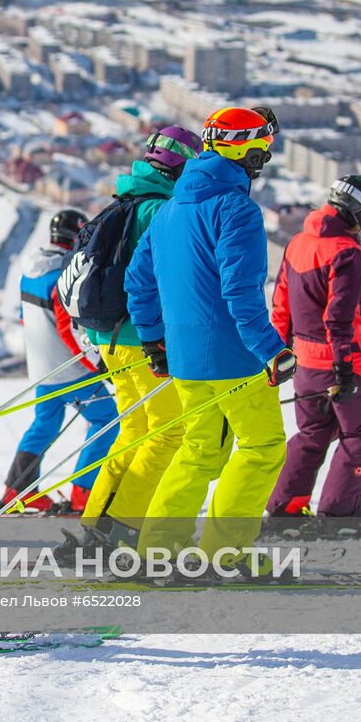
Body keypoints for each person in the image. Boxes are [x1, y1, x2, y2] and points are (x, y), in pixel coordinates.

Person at [127, 106, 296, 578]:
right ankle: (228, 554)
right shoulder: (237, 208)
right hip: (233, 356)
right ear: (244, 149)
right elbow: (239, 291)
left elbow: (139, 283)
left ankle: (157, 550)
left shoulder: (168, 212)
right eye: (263, 146)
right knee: (262, 446)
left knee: (201, 450)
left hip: (183, 359)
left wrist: (154, 343)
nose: (265, 155)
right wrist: (271, 349)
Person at [64, 126, 210, 557]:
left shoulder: (123, 202)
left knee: (136, 430)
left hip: (109, 337)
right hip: (141, 336)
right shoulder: (160, 211)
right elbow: (166, 280)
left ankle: (97, 524)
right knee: (169, 432)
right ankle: (124, 527)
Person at [266, 175, 361, 536]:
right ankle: (340, 516)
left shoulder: (299, 243)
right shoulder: (347, 252)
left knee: (312, 433)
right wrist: (345, 370)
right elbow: (340, 319)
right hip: (343, 361)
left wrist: (280, 354)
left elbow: (281, 306)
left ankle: (285, 509)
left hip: (304, 360)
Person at [0, 208, 119, 514]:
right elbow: (68, 328)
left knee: (45, 422)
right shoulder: (63, 273)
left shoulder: (30, 271)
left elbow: (26, 318)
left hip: (41, 369)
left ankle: (17, 490)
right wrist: (99, 365)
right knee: (107, 419)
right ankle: (84, 492)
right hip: (70, 369)